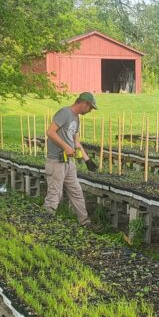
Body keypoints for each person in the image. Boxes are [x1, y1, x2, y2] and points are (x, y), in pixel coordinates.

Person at [44, 91, 97, 225]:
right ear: (84, 104)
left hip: (68, 163)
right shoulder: (64, 113)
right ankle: (44, 224)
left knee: (76, 192)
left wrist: (87, 160)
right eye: (90, 107)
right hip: (56, 161)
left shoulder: (76, 118)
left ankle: (84, 222)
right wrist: (65, 147)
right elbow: (50, 132)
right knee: (55, 195)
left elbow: (76, 142)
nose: (90, 111)